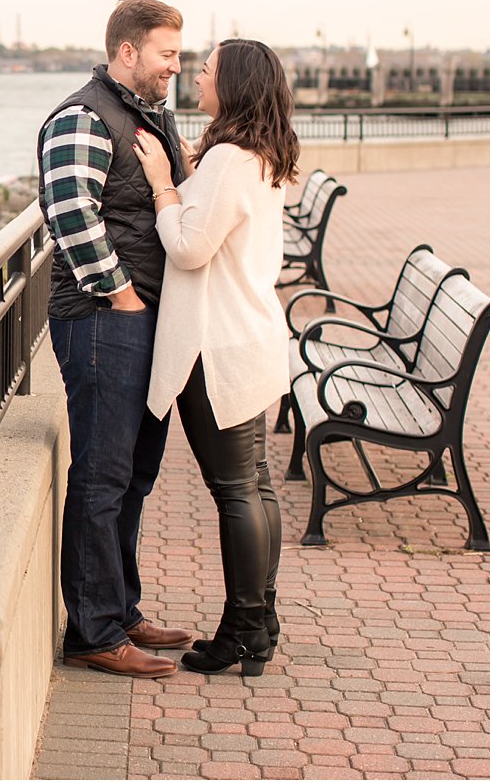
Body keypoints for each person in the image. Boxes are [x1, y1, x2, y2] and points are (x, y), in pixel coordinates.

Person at [36, 0, 196, 678]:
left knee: (135, 473)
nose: (176, 67)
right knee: (101, 477)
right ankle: (93, 631)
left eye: (181, 55)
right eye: (167, 53)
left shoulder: (148, 116)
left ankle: (121, 608)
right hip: (104, 320)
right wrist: (123, 295)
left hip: (140, 319)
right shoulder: (82, 115)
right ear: (128, 51)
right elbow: (70, 211)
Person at [130, 37, 300, 677]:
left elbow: (190, 248)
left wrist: (161, 187)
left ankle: (245, 629)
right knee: (254, 486)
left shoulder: (230, 157)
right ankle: (260, 617)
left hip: (217, 345)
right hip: (249, 336)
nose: (195, 75)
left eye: (207, 69)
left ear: (234, 85)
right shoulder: (258, 152)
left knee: (235, 490)